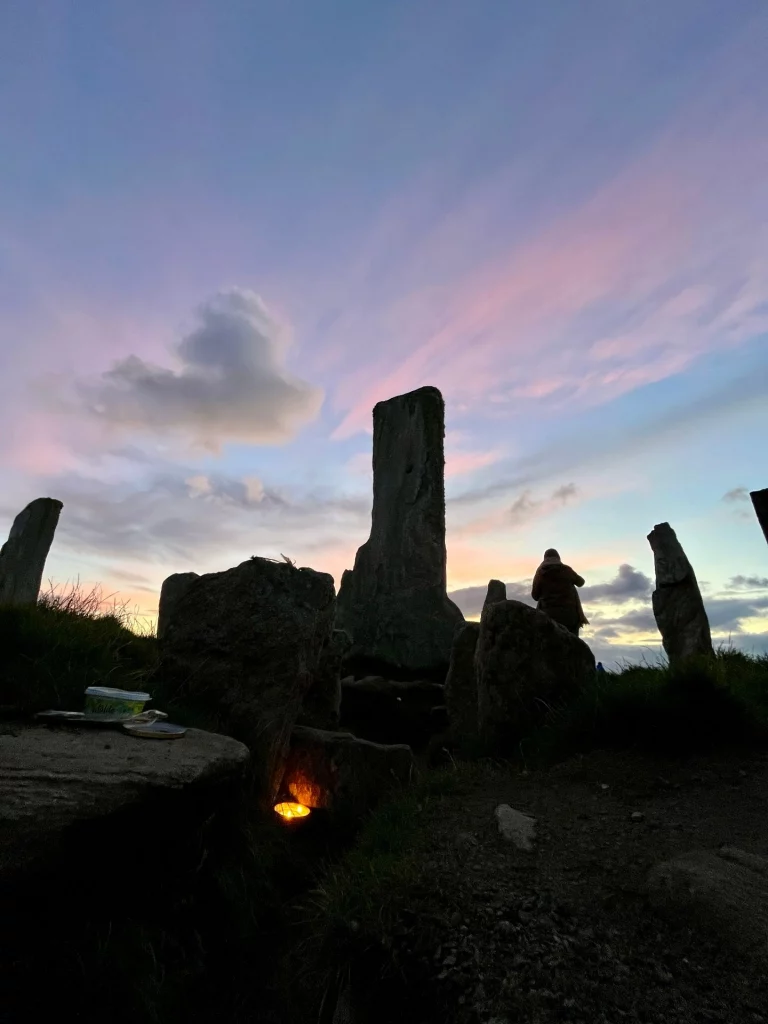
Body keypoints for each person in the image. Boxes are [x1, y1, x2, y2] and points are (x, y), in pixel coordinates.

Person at [531, 548, 589, 636]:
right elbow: (581, 582)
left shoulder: (540, 573)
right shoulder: (567, 570)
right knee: (572, 645)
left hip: (548, 616)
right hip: (570, 615)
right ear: (558, 558)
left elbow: (535, 596)